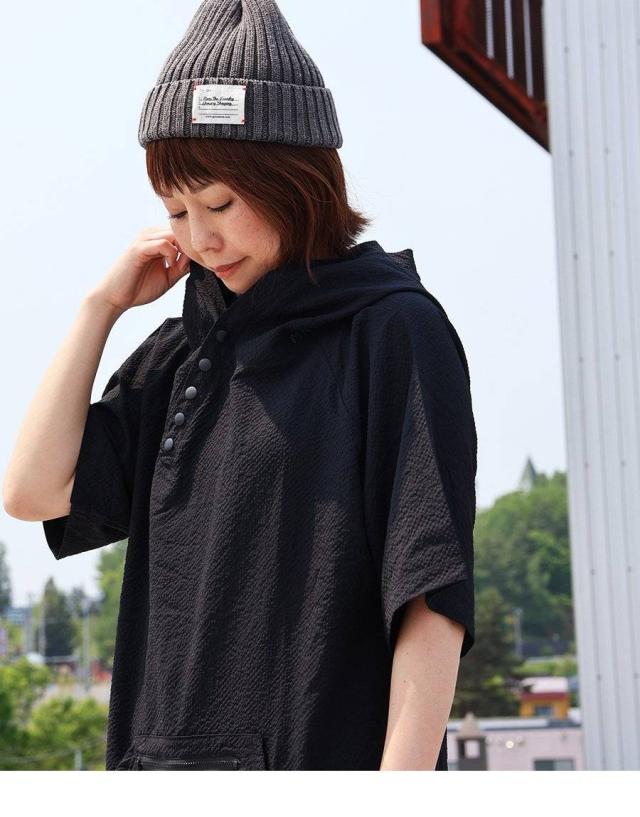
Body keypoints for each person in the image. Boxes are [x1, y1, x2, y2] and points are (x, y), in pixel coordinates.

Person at [3, 0, 477, 771]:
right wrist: (100, 308)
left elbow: (430, 592)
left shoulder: (392, 329)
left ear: (294, 179)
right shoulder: (182, 352)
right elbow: (33, 491)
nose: (200, 238)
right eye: (176, 211)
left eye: (219, 203)